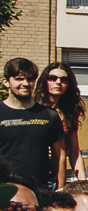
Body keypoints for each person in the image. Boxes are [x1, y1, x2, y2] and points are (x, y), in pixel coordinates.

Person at [0, 61, 60, 200]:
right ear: (6, 82)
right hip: (4, 189)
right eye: (19, 79)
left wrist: (60, 187)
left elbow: (60, 155)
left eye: (30, 79)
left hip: (40, 189)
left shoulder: (49, 114)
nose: (26, 84)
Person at [37, 63, 82, 189]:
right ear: (44, 81)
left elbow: (74, 151)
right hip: (36, 174)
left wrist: (84, 183)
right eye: (52, 78)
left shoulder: (69, 112)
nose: (58, 82)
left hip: (57, 177)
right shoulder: (34, 109)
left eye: (64, 80)